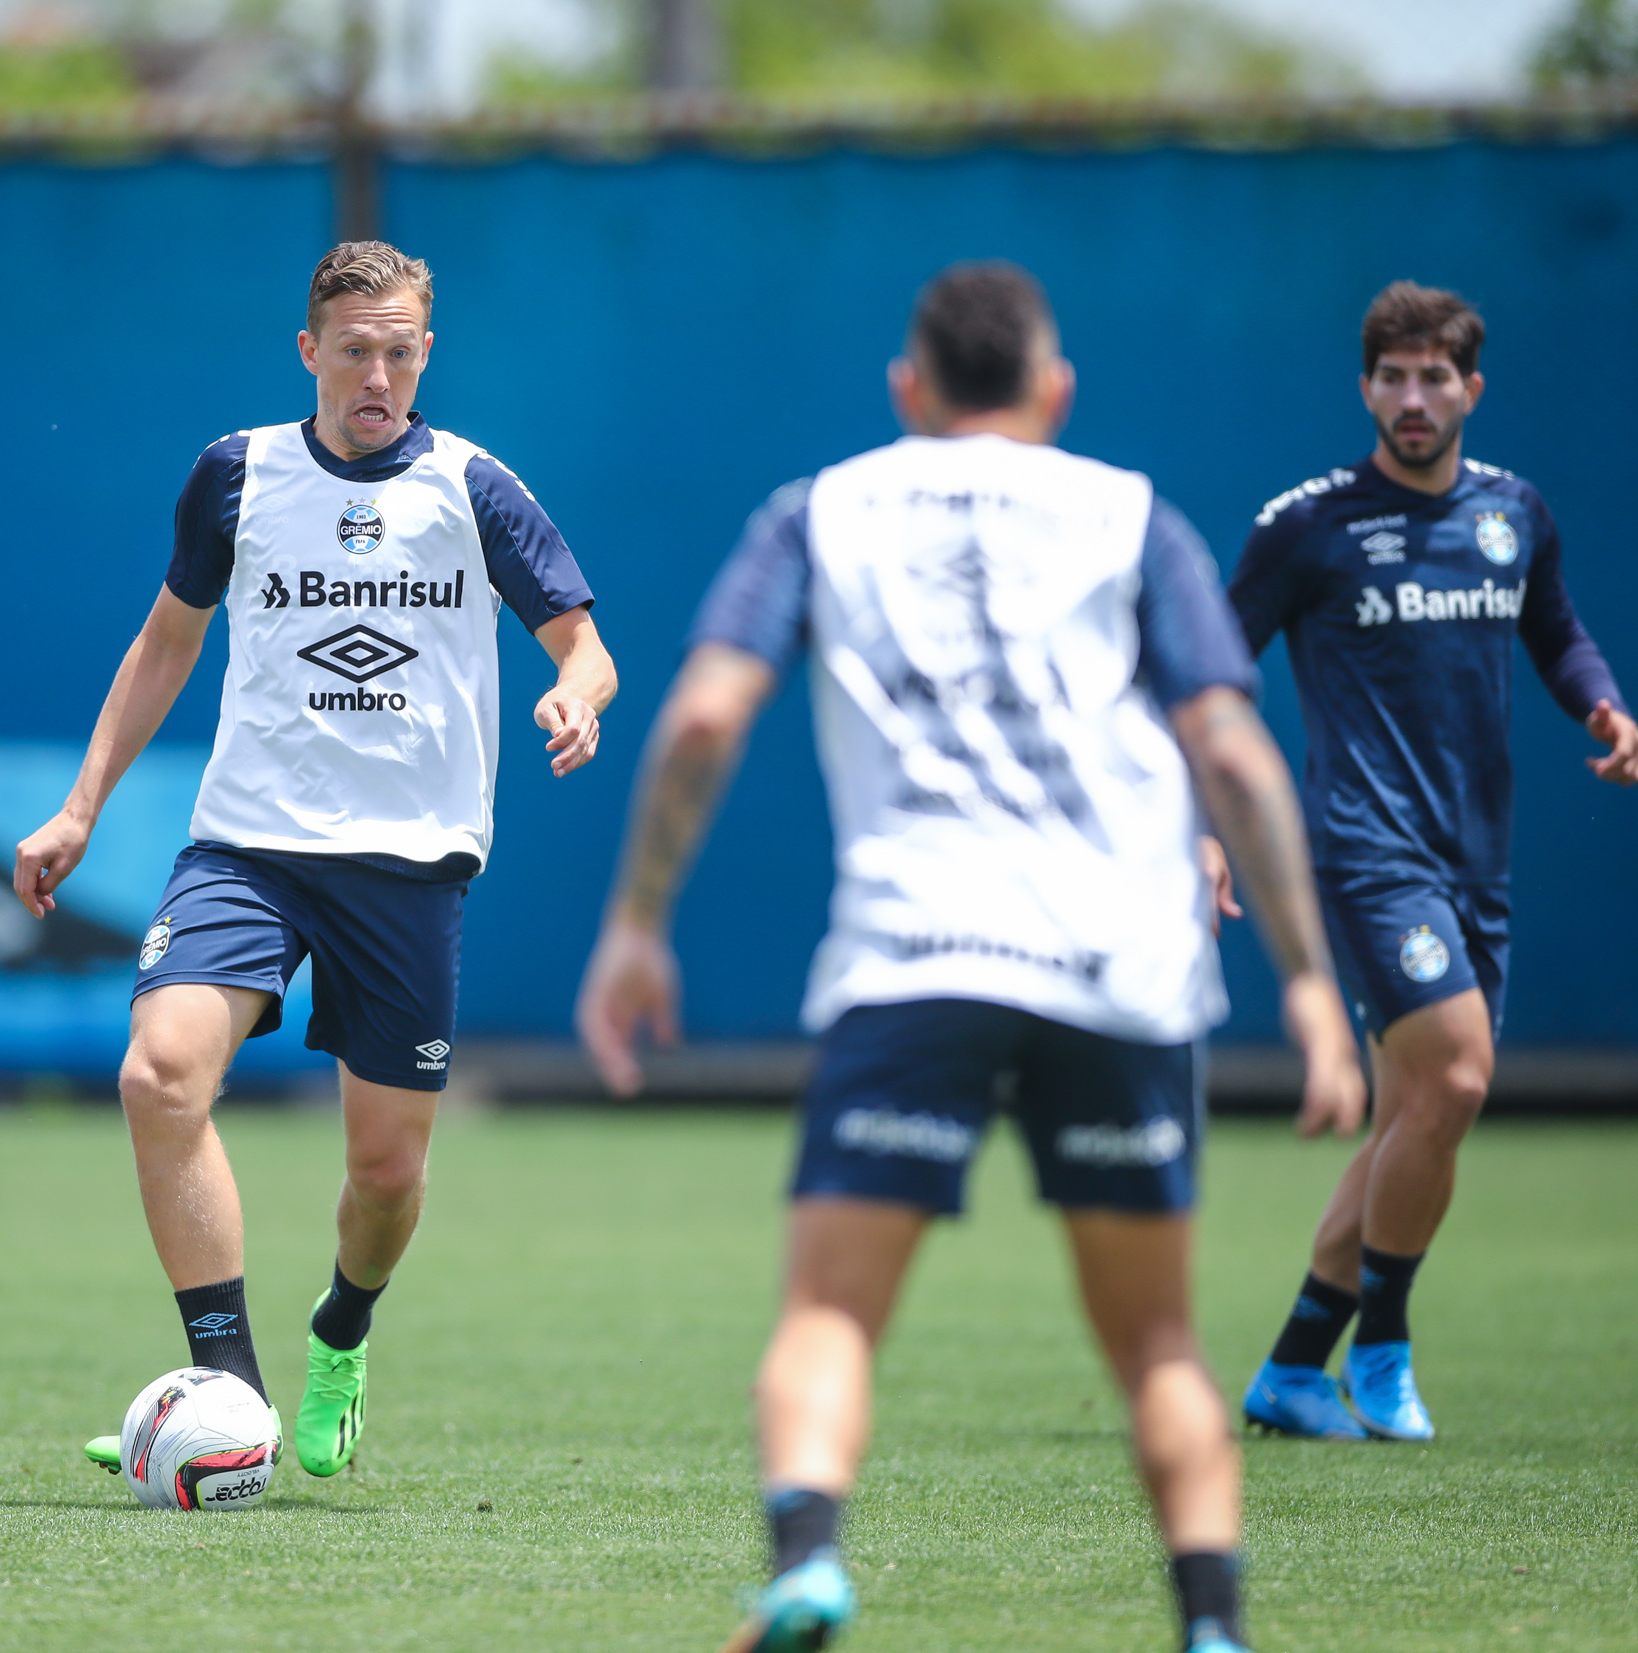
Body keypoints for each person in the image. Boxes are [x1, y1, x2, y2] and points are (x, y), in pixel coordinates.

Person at [576, 262, 1365, 1653]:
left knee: (829, 1311)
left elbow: (701, 721)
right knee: (1160, 1347)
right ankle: (1214, 1624)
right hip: (1115, 966)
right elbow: (1233, 751)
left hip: (916, 956)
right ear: (1055, 390)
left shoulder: (819, 510)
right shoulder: (1131, 515)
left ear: (907, 388)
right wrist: (1307, 981)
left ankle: (810, 1560)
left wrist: (637, 922)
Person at [15, 241, 617, 1480]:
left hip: (407, 867)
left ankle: (339, 1331)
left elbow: (583, 643)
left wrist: (577, 694)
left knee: (385, 1176)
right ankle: (226, 1391)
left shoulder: (472, 486)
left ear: (425, 355)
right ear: (309, 352)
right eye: (354, 352)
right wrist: (80, 809)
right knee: (158, 1076)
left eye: (400, 352)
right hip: (250, 846)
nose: (377, 376)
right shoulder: (236, 474)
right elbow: (164, 643)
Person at [1231, 282, 1636, 1443]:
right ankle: (1385, 1345)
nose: (1412, 399)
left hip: (1476, 855)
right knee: (1453, 1080)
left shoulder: (1512, 513)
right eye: (1390, 378)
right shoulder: (1306, 526)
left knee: (1417, 1116)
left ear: (1469, 388)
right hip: (1366, 847)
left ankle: (1292, 1369)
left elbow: (1554, 630)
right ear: (1364, 388)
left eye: (1433, 378)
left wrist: (1602, 709)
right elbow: (1208, 671)